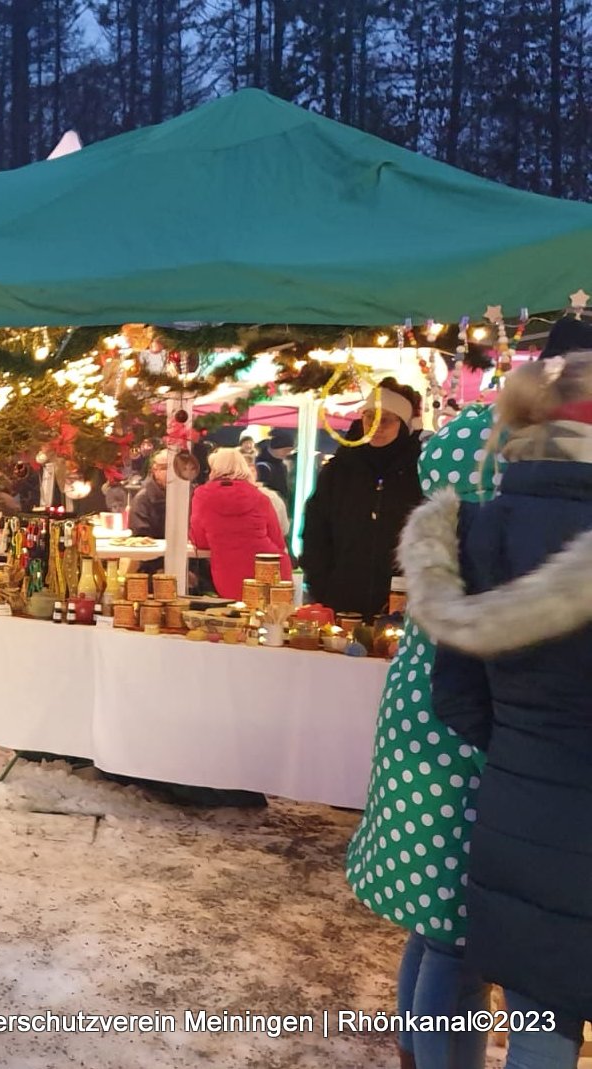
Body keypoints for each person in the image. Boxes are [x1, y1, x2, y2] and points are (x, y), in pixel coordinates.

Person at [406, 351, 592, 1068]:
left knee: (537, 1020)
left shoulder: (482, 528)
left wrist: (524, 747)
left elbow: (456, 696)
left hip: (517, 820)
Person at [344, 405, 498, 1069]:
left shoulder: (444, 533)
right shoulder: (492, 543)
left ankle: (413, 1055)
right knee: (458, 941)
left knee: (435, 927)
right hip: (456, 742)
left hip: (423, 729)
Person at [299, 381, 423, 617]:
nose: (377, 426)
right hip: (340, 602)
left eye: (387, 418)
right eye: (370, 416)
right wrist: (322, 587)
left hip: (403, 604)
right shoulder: (338, 470)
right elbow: (316, 530)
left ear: (404, 425)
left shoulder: (419, 472)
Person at [189, 448, 291, 599]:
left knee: (239, 617)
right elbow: (278, 539)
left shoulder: (201, 496)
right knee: (273, 619)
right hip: (271, 569)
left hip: (230, 573)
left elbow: (200, 541)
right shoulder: (259, 496)